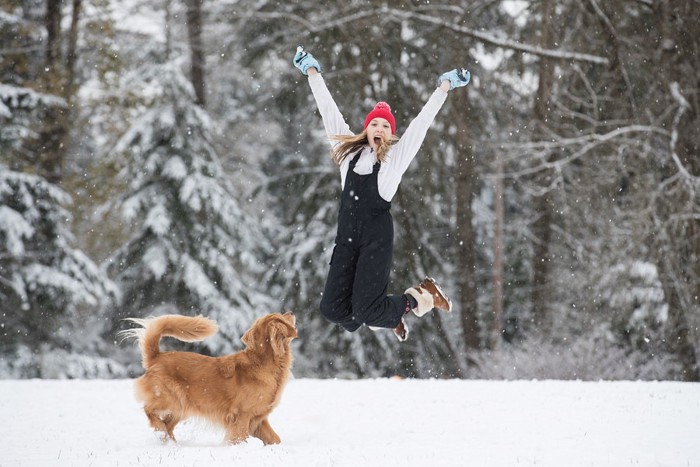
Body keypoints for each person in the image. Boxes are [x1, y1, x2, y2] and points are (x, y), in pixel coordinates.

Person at [293, 46, 470, 342]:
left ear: (390, 134)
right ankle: (385, 316)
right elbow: (328, 111)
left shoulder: (393, 160)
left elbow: (421, 125)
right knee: (333, 309)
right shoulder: (347, 155)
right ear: (366, 129)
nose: (379, 127)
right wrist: (313, 72)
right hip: (346, 238)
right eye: (374, 123)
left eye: (385, 126)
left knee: (365, 311)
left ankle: (420, 296)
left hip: (376, 238)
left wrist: (444, 87)